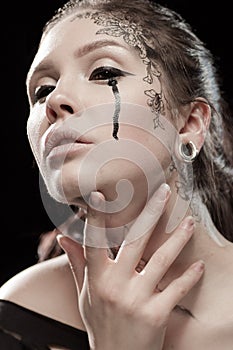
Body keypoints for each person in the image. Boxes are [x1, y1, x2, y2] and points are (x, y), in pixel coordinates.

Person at [1, 0, 233, 348]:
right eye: (42, 90)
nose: (55, 100)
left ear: (189, 123)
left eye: (105, 73)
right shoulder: (18, 313)